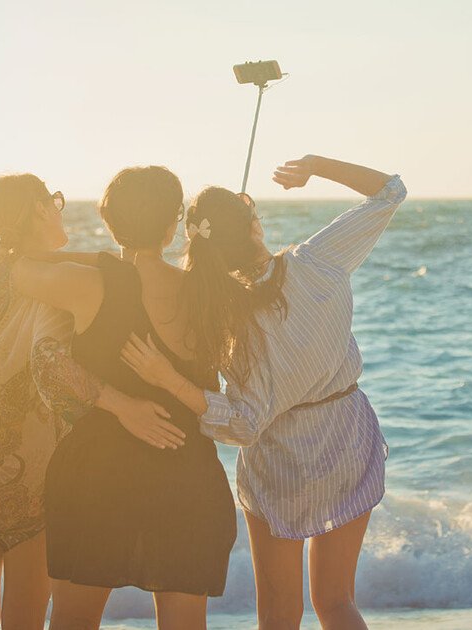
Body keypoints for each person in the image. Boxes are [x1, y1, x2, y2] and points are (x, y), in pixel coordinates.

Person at [0, 36, 181, 629]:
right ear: (40, 210)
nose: (62, 209)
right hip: (7, 469)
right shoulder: (78, 279)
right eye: (56, 200)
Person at [120, 154, 406, 629]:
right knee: (337, 603)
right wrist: (314, 165)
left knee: (278, 615)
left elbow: (246, 423)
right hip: (347, 436)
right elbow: (391, 191)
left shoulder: (224, 316)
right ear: (254, 226)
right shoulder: (317, 260)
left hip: (281, 460)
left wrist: (168, 379)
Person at [10, 166, 238, 629]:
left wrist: (100, 259)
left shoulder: (91, 284)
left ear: (110, 221)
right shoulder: (208, 292)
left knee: (72, 623)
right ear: (173, 225)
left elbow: (17, 268)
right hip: (187, 477)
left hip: (98, 476)